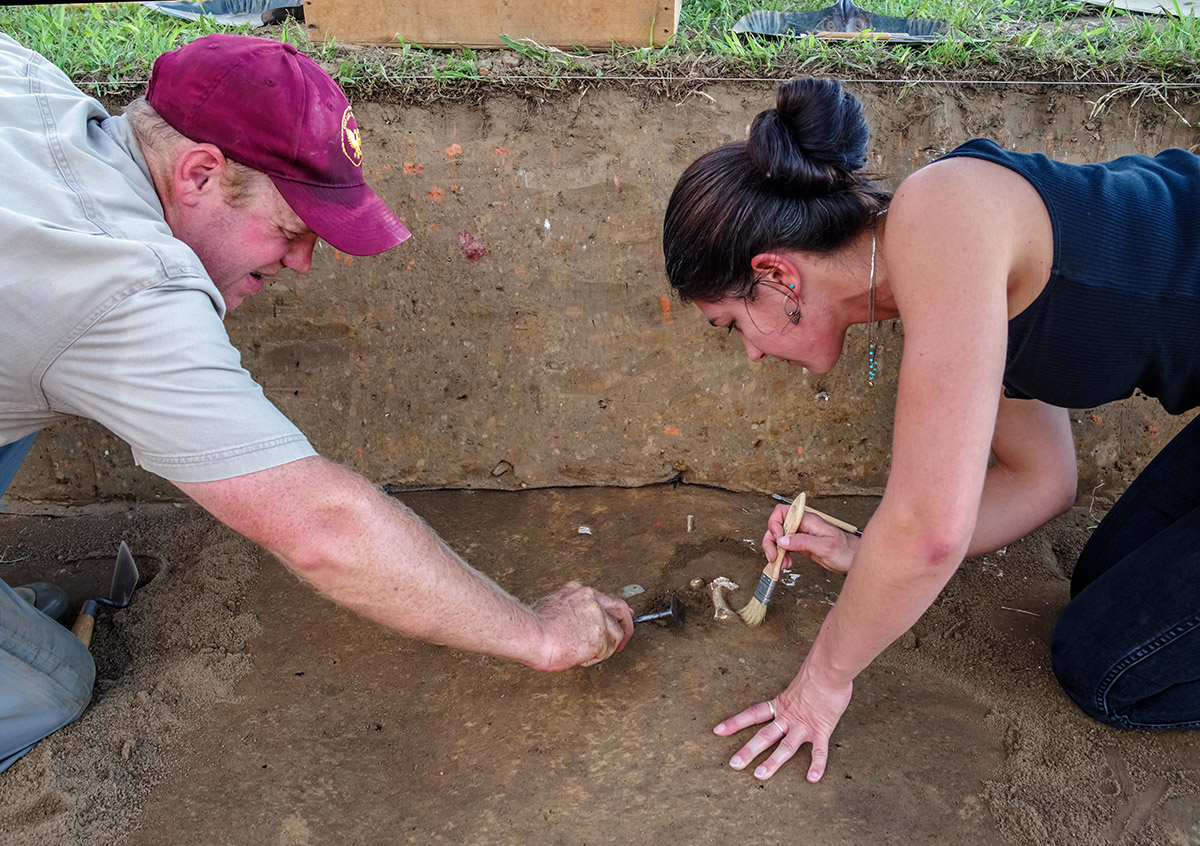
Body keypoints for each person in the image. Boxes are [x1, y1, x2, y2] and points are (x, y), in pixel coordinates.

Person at [0, 32, 633, 774]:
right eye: (291, 228)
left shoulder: (26, 81)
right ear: (201, 172)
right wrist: (538, 635)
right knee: (51, 683)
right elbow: (323, 528)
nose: (301, 260)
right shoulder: (125, 288)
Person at [662, 77, 1200, 782]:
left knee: (1107, 666)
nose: (752, 351)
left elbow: (930, 532)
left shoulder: (941, 219)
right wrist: (866, 551)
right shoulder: (945, 269)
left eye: (733, 324)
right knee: (1106, 585)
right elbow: (1043, 478)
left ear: (778, 276)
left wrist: (822, 683)